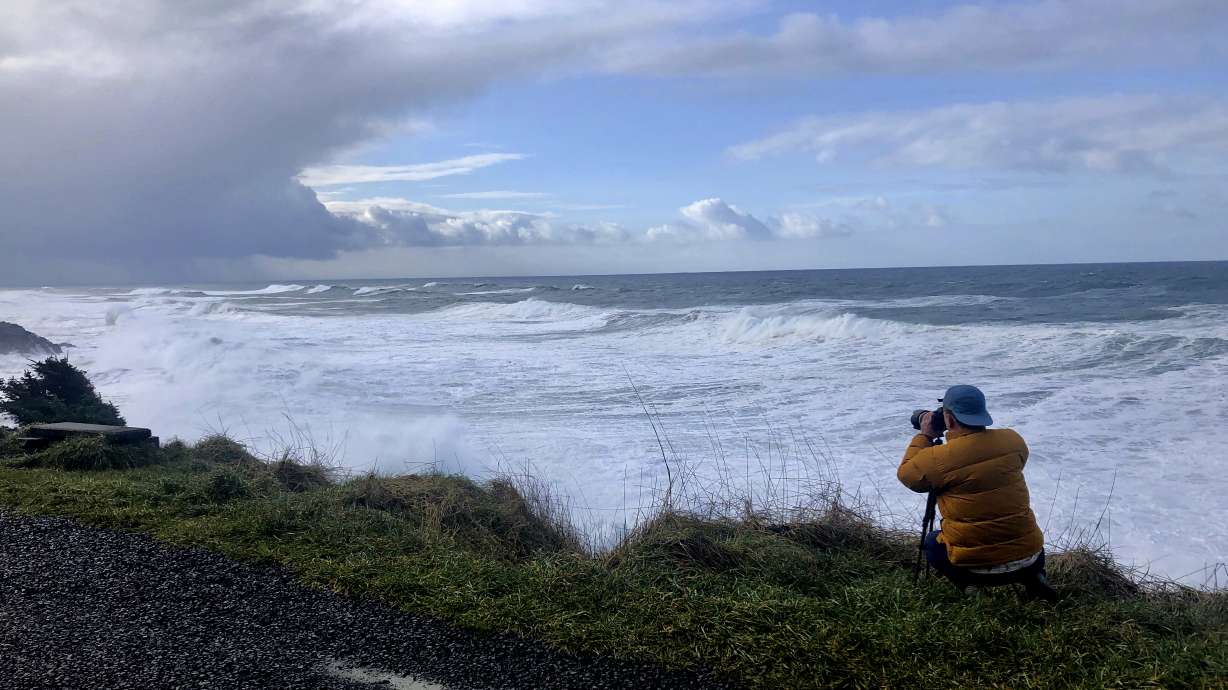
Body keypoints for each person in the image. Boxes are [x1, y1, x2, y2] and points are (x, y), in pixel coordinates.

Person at [897, 384, 1058, 601]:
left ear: (950, 420)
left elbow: (908, 475)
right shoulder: (1013, 440)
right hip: (1031, 556)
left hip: (975, 568)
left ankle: (972, 588)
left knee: (932, 543)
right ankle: (1035, 578)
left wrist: (924, 436)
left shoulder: (937, 459)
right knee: (1023, 534)